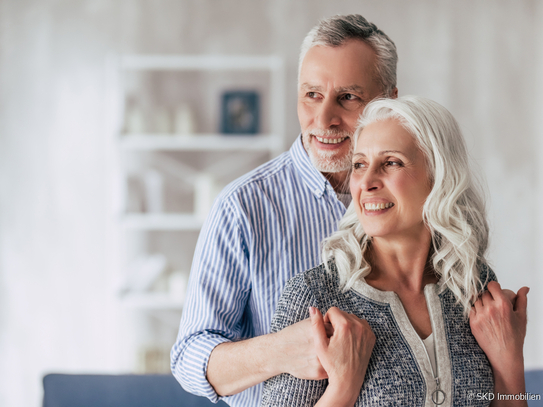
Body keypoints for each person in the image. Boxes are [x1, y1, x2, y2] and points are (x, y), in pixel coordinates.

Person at [170, 14, 398, 406]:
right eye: (312, 95)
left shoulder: (416, 203)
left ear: (388, 102)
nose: (324, 119)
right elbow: (189, 358)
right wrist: (280, 351)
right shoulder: (243, 207)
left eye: (348, 97)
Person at [261, 96, 529, 407]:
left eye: (391, 162)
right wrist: (343, 388)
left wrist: (510, 365)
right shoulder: (316, 295)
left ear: (438, 176)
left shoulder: (471, 283)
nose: (367, 182)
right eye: (360, 164)